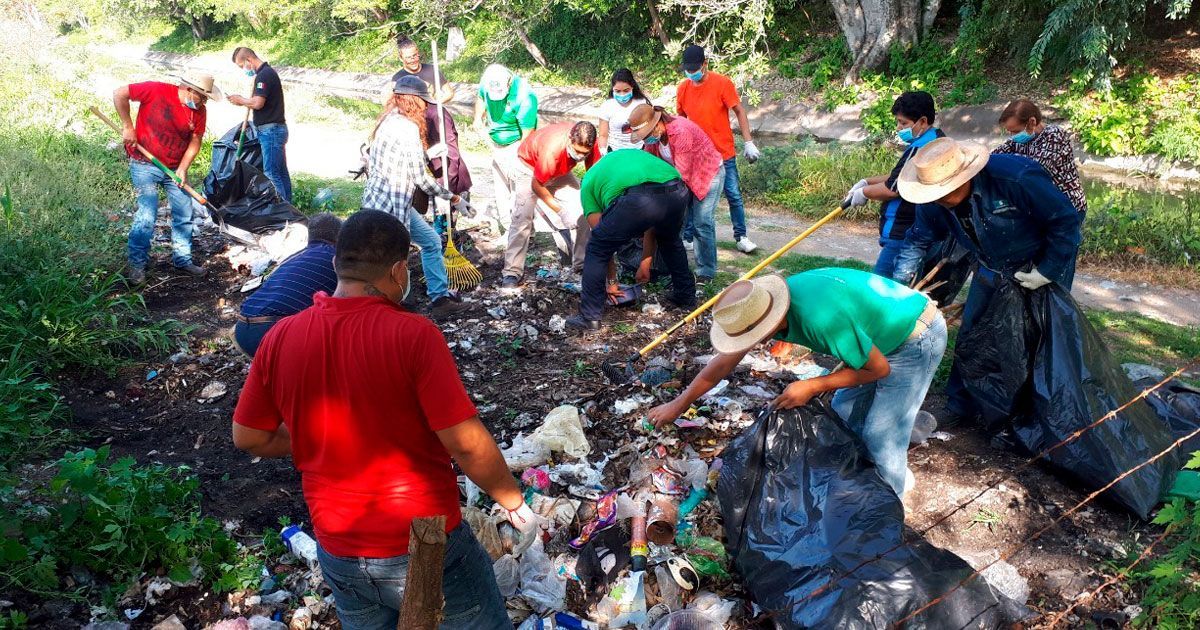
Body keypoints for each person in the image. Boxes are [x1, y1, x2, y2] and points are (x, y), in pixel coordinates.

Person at [232, 210, 537, 630]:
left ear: (337, 264)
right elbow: (465, 443)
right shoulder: (414, 335)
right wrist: (512, 499)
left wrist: (313, 436)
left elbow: (249, 436)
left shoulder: (281, 336)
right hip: (424, 542)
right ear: (398, 270)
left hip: (338, 550)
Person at [647, 270, 945, 495]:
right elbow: (721, 365)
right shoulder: (763, 308)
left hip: (913, 338)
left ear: (772, 323)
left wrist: (813, 385)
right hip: (875, 342)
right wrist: (678, 404)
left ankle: (889, 509)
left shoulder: (821, 320)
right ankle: (866, 483)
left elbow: (879, 370)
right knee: (843, 414)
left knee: (881, 435)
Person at [893, 137, 1083, 426]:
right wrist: (900, 287)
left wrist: (1047, 270)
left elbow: (1065, 221)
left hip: (1038, 262)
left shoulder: (1016, 178)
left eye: (945, 193)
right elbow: (917, 239)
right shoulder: (931, 199)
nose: (940, 200)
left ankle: (1030, 415)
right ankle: (960, 404)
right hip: (989, 263)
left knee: (1037, 337)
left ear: (964, 177)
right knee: (972, 331)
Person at [362, 79, 473, 318]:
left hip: (386, 200)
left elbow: (402, 158)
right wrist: (454, 198)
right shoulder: (406, 128)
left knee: (431, 241)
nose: (425, 108)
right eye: (423, 102)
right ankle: (389, 308)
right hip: (390, 207)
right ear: (413, 101)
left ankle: (440, 299)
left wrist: (427, 153)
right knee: (391, 260)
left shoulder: (389, 119)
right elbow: (421, 179)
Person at [566, 149, 696, 330]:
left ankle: (590, 316)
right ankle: (686, 296)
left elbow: (602, 242)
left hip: (640, 198)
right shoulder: (621, 160)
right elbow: (653, 220)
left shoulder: (588, 184)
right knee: (670, 240)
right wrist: (645, 263)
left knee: (597, 247)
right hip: (678, 190)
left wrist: (611, 283)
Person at [113, 72, 218, 283]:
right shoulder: (156, 90)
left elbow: (195, 141)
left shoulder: (198, 111)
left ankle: (183, 260)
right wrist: (127, 126)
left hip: (173, 169)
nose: (204, 102)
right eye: (202, 97)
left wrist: (183, 168)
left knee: (184, 212)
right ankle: (137, 265)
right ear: (189, 90)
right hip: (144, 163)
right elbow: (120, 93)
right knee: (147, 213)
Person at [845, 91, 945, 277]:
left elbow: (893, 190)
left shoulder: (921, 148)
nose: (899, 128)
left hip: (904, 233)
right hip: (915, 230)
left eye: (904, 123)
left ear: (922, 121)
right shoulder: (935, 139)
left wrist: (865, 193)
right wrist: (866, 181)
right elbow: (898, 177)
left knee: (882, 286)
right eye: (898, 122)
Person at [675, 44, 759, 255]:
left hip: (723, 151)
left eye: (695, 69)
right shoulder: (683, 88)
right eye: (688, 70)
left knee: (733, 194)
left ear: (705, 64)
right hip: (697, 155)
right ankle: (687, 237)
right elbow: (680, 121)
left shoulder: (722, 84)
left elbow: (739, 111)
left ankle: (741, 237)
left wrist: (748, 141)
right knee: (693, 196)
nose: (691, 73)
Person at [627, 103, 725, 282]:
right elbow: (652, 167)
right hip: (681, 178)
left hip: (707, 174)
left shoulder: (680, 132)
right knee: (673, 224)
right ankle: (671, 268)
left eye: (646, 135)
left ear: (656, 125)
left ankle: (706, 272)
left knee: (701, 223)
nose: (645, 139)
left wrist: (663, 204)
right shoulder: (654, 140)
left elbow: (682, 175)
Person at [500, 121, 599, 288]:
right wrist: (561, 211)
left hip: (560, 170)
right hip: (528, 168)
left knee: (584, 210)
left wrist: (595, 200)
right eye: (576, 151)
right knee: (522, 218)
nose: (580, 156)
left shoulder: (590, 142)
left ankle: (581, 265)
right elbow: (536, 185)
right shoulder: (552, 150)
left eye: (584, 153)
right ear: (569, 139)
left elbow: (594, 174)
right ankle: (512, 271)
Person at [233, 213, 342, 357]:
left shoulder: (294, 257)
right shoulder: (336, 258)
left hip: (242, 327)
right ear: (338, 238)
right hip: (272, 331)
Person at [393, 76, 473, 219]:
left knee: (444, 226)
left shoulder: (437, 115)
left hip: (449, 179)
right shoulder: (405, 117)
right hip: (432, 178)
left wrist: (447, 191)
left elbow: (451, 154)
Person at [472, 64, 538, 233]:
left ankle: (524, 232)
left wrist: (519, 160)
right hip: (495, 143)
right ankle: (508, 229)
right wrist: (478, 118)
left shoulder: (525, 96)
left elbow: (527, 135)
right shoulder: (488, 80)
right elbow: (481, 97)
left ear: (508, 83)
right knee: (500, 189)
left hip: (517, 144)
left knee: (520, 191)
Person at [993, 99, 1088, 213]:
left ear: (1032, 122)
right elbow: (994, 157)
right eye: (1010, 132)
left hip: (1068, 207)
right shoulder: (1018, 140)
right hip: (1043, 208)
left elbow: (1034, 170)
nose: (1012, 136)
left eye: (1015, 131)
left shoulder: (1055, 136)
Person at [228, 47, 292, 202]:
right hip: (275, 129)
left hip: (271, 131)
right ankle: (289, 207)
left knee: (271, 173)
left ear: (249, 60)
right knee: (280, 171)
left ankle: (282, 212)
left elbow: (258, 103)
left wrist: (240, 100)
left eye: (241, 66)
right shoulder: (266, 73)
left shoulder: (264, 75)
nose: (244, 70)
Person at [596, 68, 650, 152]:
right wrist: (603, 151)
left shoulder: (641, 103)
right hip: (615, 151)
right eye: (617, 91)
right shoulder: (607, 106)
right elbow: (603, 135)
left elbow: (648, 128)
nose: (622, 94)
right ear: (612, 89)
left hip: (638, 150)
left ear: (632, 87)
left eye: (626, 90)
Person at [391, 34, 455, 103]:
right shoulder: (397, 79)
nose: (413, 60)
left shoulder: (431, 70)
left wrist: (435, 103)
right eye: (408, 57)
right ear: (401, 58)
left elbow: (449, 93)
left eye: (415, 55)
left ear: (418, 53)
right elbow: (396, 103)